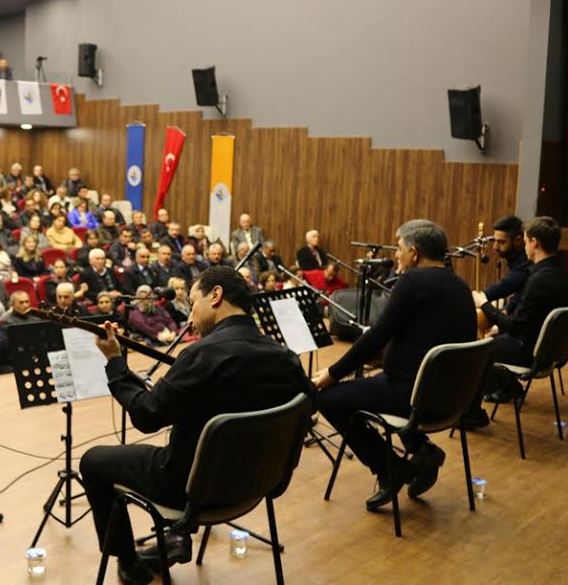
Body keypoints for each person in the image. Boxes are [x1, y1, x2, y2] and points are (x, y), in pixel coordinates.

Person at [82, 267, 314, 581]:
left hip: (189, 487)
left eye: (193, 304)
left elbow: (148, 417)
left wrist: (115, 363)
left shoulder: (202, 355)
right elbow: (307, 408)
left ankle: (129, 561)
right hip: (255, 484)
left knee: (93, 460)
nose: (191, 317)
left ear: (215, 296)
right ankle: (177, 534)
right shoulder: (286, 358)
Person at [313, 220, 476, 511]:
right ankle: (421, 449)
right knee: (377, 385)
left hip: (413, 396)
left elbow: (376, 336)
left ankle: (390, 469)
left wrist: (332, 373)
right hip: (451, 399)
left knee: (328, 398)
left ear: (414, 253)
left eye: (399, 249)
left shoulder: (413, 282)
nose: (396, 255)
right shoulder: (461, 286)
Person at [469, 216, 568, 418]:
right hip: (550, 349)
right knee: (492, 339)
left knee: (476, 348)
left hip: (532, 352)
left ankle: (472, 414)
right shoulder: (561, 274)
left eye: (525, 241)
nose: (525, 248)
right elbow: (524, 318)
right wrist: (499, 327)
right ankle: (507, 388)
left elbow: (516, 327)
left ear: (534, 243)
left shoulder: (538, 281)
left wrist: (484, 305)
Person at [478, 215, 531, 315]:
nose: (495, 247)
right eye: (495, 241)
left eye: (501, 242)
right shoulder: (516, 261)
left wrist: (480, 297)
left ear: (518, 240)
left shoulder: (525, 264)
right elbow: (519, 295)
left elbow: (506, 285)